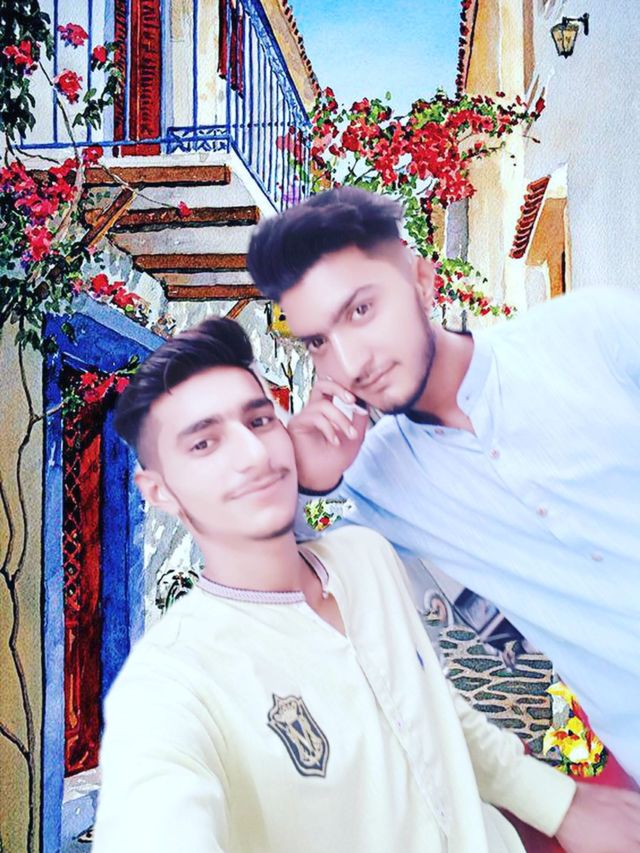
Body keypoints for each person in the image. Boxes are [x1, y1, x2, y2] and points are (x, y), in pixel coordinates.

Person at [92, 317, 637, 853]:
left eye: (259, 422)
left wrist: (559, 804)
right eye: (204, 444)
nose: (254, 456)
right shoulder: (172, 685)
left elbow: (431, 706)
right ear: (158, 491)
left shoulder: (364, 557)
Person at [246, 186, 640, 785]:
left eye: (360, 310)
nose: (351, 362)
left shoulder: (591, 334)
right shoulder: (380, 481)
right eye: (319, 341)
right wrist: (299, 480)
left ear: (421, 280)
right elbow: (295, 610)